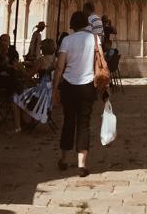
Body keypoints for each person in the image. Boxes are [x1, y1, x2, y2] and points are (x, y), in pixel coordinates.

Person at [52, 10, 97, 176]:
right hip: (87, 86)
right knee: (84, 123)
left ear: (72, 25)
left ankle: (64, 159)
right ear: (86, 23)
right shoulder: (94, 39)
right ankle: (81, 164)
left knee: (69, 121)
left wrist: (55, 88)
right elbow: (97, 63)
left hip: (69, 86)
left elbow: (59, 67)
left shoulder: (66, 40)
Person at [14, 38, 56, 125]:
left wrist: (20, 68)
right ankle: (30, 118)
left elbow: (29, 75)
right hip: (51, 93)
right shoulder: (56, 60)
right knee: (28, 87)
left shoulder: (41, 60)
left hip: (41, 94)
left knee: (16, 96)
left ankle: (19, 125)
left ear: (43, 48)